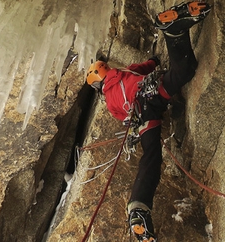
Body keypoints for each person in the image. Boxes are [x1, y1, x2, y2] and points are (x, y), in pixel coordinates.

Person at [85, 2, 211, 241]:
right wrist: (154, 60)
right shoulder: (124, 72)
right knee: (180, 73)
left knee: (151, 156)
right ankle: (174, 31)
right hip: (151, 92)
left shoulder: (110, 102)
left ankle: (139, 208)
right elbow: (147, 65)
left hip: (145, 116)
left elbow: (125, 118)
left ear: (97, 85)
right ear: (106, 69)